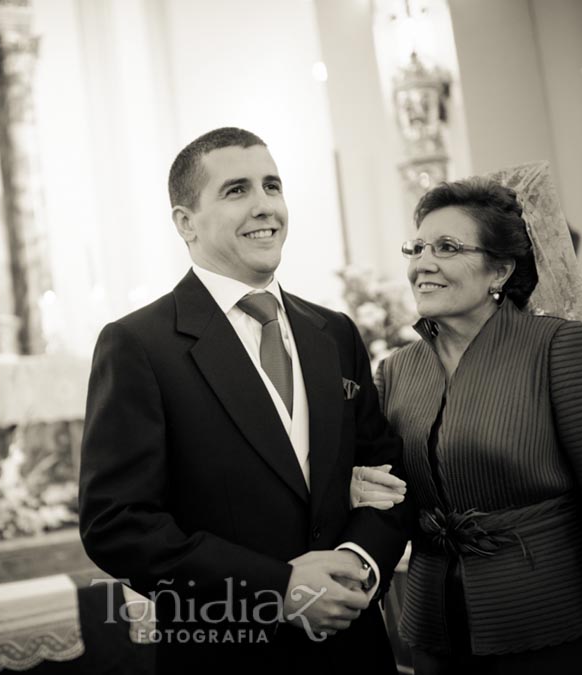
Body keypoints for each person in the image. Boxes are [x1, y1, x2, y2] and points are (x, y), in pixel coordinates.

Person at [78, 127, 411, 674]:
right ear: (185, 222)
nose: (264, 206)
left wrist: (356, 564)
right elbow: (118, 524)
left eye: (272, 186)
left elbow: (386, 476)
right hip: (230, 650)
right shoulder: (140, 344)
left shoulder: (333, 332)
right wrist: (278, 589)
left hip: (353, 648)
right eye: (236, 190)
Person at [352, 175, 582, 674]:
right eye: (417, 247)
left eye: (447, 247)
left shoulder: (558, 348)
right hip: (435, 631)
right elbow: (386, 495)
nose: (422, 264)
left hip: (548, 625)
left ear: (500, 269)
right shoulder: (396, 370)